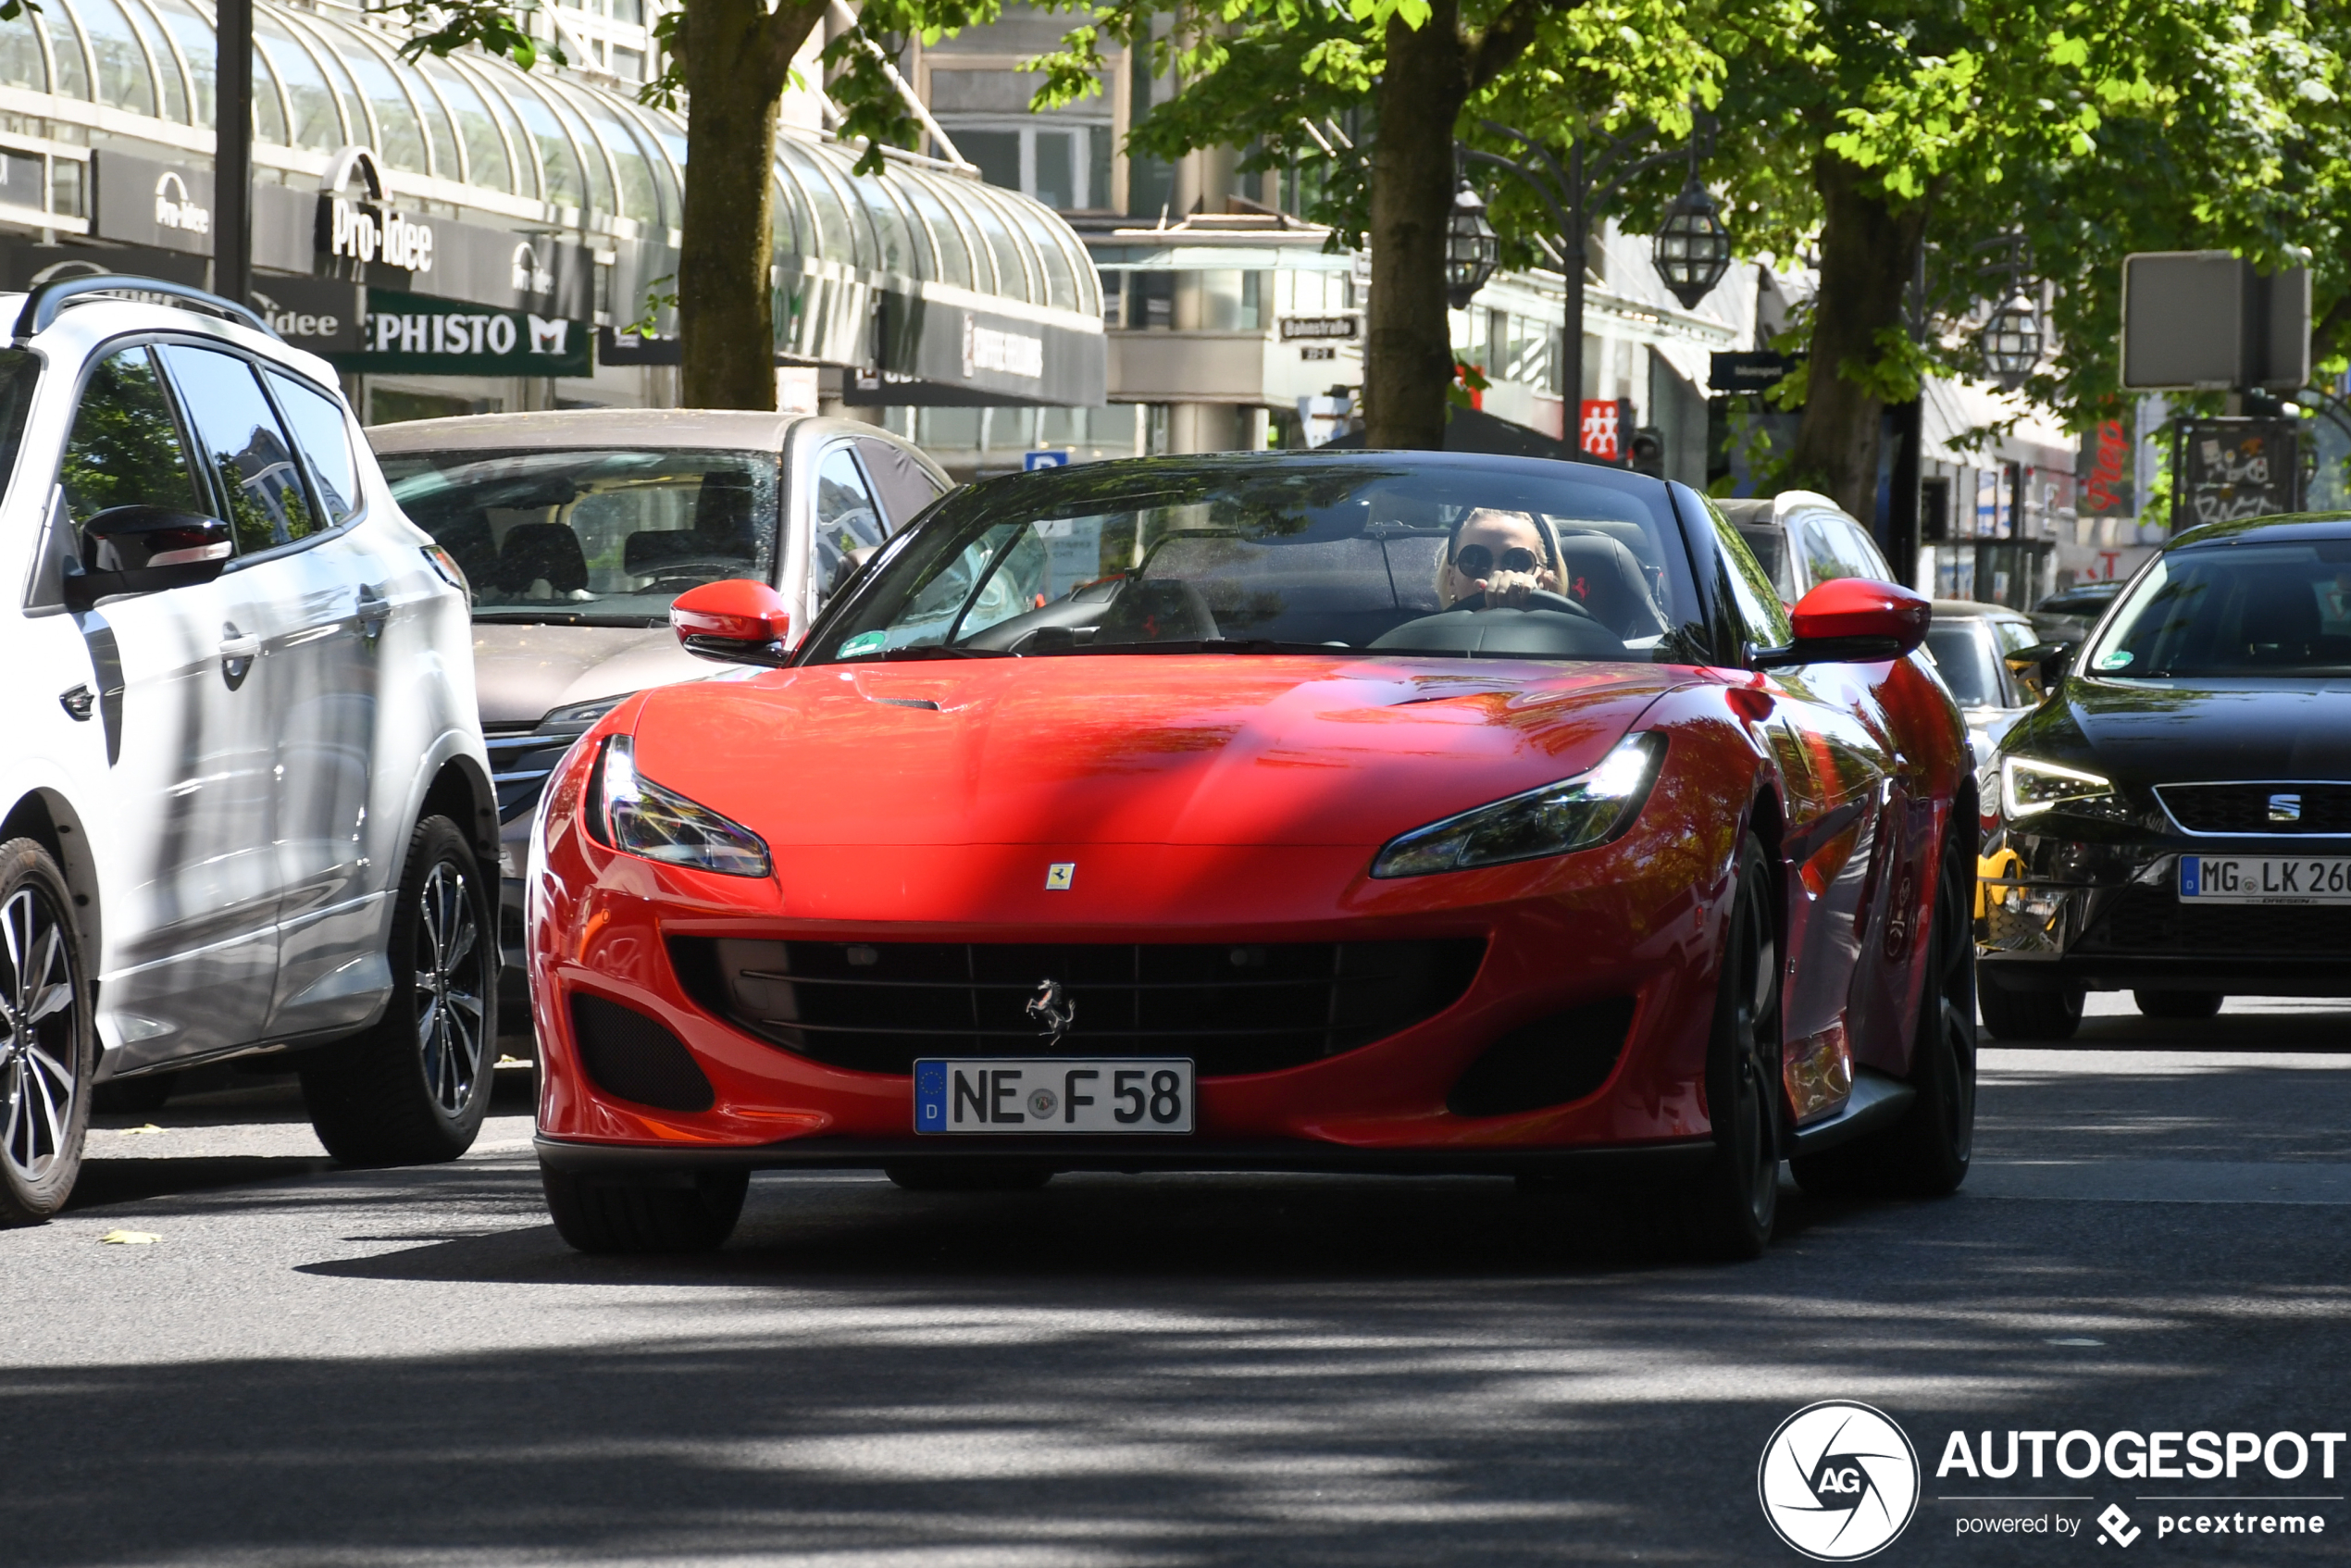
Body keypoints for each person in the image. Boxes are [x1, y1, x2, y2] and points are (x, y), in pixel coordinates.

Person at [1436, 507, 1567, 609]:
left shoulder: (1568, 642)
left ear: (1547, 582)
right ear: (1451, 580)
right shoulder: (1423, 641)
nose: (1495, 576)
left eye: (1518, 563)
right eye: (1473, 561)